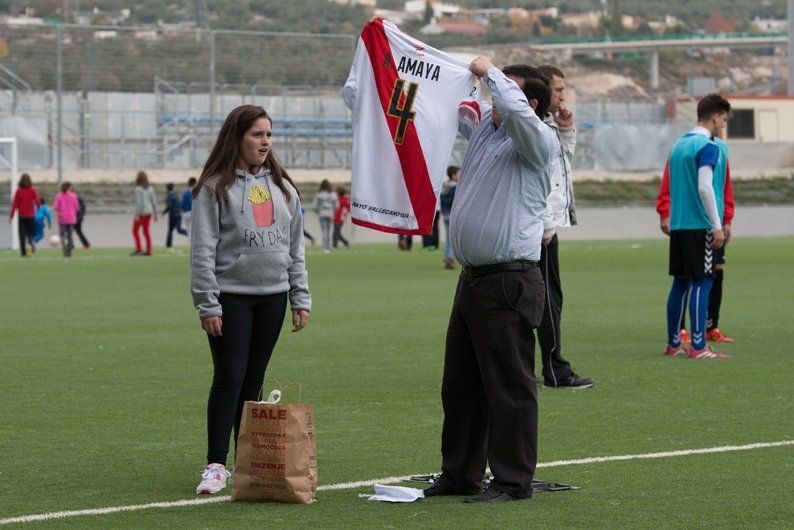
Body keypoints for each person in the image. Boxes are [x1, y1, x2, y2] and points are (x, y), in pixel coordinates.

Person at [426, 58, 557, 503]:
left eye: (503, 91)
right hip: (475, 281)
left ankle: (512, 481)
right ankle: (460, 474)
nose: (492, 98)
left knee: (509, 388)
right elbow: (442, 104)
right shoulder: (487, 129)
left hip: (509, 281)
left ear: (530, 100)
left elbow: (516, 110)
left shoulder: (539, 139)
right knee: (460, 386)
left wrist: (491, 70)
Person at [190, 104, 311, 495]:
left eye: (269, 135)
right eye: (257, 134)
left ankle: (246, 463)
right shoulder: (214, 187)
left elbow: (296, 250)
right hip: (231, 298)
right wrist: (207, 303)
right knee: (229, 376)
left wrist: (300, 296)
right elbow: (202, 250)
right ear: (237, 137)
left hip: (273, 297)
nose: (265, 142)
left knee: (254, 381)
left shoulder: (285, 188)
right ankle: (215, 465)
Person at [534, 64, 594, 389]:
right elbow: (537, 181)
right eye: (558, 89)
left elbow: (561, 167)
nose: (563, 95)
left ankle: (523, 367)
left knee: (536, 300)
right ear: (543, 92)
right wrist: (545, 227)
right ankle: (555, 369)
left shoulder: (547, 126)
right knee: (547, 300)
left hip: (543, 228)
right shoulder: (535, 128)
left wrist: (567, 130)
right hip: (540, 233)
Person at [663, 93, 731, 360]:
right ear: (714, 116)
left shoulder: (679, 145)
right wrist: (717, 225)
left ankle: (673, 343)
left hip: (679, 224)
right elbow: (705, 187)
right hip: (699, 224)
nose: (723, 125)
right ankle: (699, 346)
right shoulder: (708, 146)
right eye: (723, 119)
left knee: (680, 283)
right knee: (703, 282)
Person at [657, 156, 735, 344]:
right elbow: (671, 180)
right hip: (693, 222)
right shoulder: (690, 148)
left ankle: (710, 327)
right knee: (688, 276)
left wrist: (727, 218)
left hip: (713, 220)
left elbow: (725, 186)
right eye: (723, 122)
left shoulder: (720, 150)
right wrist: (664, 211)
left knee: (716, 269)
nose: (724, 124)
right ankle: (683, 332)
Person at [8, 173, 40, 257]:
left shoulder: (19, 191)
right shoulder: (32, 190)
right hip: (31, 215)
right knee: (31, 233)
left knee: (22, 234)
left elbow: (15, 204)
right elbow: (38, 201)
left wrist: (11, 216)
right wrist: (39, 208)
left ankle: (23, 253)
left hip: (22, 216)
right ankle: (30, 244)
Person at [132, 171, 158, 256]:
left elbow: (139, 203)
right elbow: (154, 201)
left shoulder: (138, 189)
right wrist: (155, 214)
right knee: (146, 231)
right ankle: (149, 250)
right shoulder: (150, 188)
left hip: (141, 212)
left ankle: (139, 248)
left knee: (135, 230)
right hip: (149, 212)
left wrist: (136, 215)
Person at [53, 181, 80, 257]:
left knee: (62, 236)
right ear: (69, 187)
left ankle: (65, 249)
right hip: (71, 219)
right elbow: (77, 208)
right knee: (70, 235)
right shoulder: (73, 196)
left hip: (62, 219)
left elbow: (56, 207)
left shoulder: (58, 196)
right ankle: (69, 249)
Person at [439, 165, 459, 269]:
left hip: (446, 215)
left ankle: (447, 256)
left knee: (448, 238)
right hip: (454, 216)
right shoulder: (456, 186)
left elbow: (442, 202)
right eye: (458, 173)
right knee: (454, 238)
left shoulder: (444, 186)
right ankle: (450, 257)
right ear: (453, 174)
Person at [312, 179, 337, 253]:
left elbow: (315, 206)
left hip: (322, 213)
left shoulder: (318, 194)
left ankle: (325, 248)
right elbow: (336, 205)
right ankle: (328, 247)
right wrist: (333, 211)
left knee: (324, 231)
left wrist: (318, 212)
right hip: (330, 213)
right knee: (328, 231)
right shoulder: (332, 194)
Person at [164, 182, 188, 249]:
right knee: (179, 229)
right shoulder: (176, 195)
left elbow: (169, 206)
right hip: (179, 215)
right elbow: (180, 204)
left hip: (173, 215)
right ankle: (189, 234)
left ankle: (169, 246)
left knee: (170, 230)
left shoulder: (168, 196)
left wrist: (163, 213)